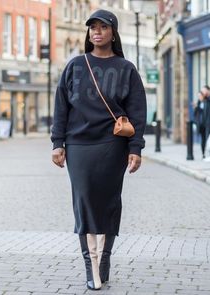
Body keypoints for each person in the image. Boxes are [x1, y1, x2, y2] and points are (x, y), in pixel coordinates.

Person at [51, 9, 147, 290]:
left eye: (103, 27)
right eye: (92, 27)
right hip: (79, 145)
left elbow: (137, 112)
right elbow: (61, 107)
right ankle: (90, 264)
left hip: (112, 146)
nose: (97, 31)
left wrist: (135, 148)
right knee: (83, 202)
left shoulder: (126, 69)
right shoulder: (75, 66)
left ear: (113, 32)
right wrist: (58, 143)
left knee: (108, 202)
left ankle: (104, 259)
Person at [201, 85, 210, 157]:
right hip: (206, 123)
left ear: (208, 90)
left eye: (204, 90)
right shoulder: (204, 100)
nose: (203, 92)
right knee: (208, 139)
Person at [193, 91, 206, 158]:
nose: (199, 97)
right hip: (201, 125)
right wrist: (195, 108)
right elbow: (195, 114)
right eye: (198, 96)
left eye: (200, 96)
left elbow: (205, 112)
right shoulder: (198, 103)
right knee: (203, 139)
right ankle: (203, 153)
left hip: (206, 123)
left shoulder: (206, 102)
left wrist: (198, 108)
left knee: (207, 139)